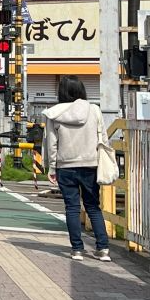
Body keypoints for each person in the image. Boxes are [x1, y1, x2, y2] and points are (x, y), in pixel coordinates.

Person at [45, 75, 111, 261]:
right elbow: (103, 138)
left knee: (72, 208)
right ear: (82, 90)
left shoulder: (54, 113)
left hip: (65, 165)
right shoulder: (94, 110)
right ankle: (103, 248)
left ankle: (77, 249)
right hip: (91, 164)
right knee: (93, 207)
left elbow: (52, 143)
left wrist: (51, 168)